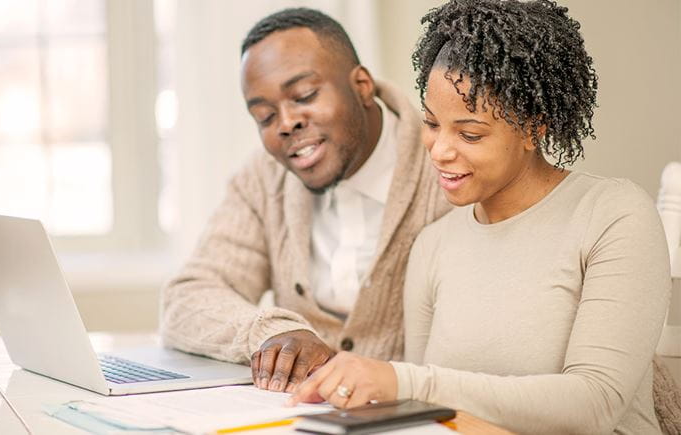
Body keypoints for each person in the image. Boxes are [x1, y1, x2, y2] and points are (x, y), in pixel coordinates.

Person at [288, 1, 672, 434]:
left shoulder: (613, 216)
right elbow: (427, 413)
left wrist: (402, 380)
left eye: (469, 133)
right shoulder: (433, 245)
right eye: (432, 124)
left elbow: (595, 404)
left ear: (533, 127)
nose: (439, 150)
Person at [160, 8, 451, 394]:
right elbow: (187, 298)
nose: (286, 123)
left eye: (304, 96)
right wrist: (275, 331)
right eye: (265, 116)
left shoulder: (446, 166)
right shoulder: (266, 177)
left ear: (362, 85)